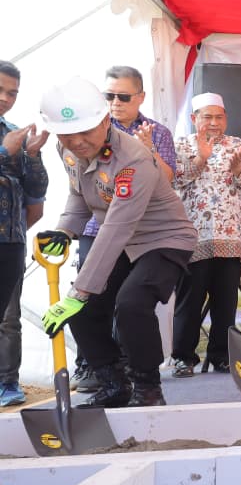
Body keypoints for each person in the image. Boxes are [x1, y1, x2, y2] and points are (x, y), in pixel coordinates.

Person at [36, 77, 197, 408]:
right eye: (67, 134)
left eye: (86, 131)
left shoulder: (132, 159)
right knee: (83, 311)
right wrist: (65, 230)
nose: (77, 142)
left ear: (105, 121)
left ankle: (148, 387)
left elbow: (117, 227)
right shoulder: (66, 149)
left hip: (164, 238)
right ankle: (113, 383)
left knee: (131, 303)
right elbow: (79, 195)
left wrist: (80, 291)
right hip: (125, 240)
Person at [73, 65, 177, 392]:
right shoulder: (84, 131)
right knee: (86, 301)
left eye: (123, 96)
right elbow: (76, 188)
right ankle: (96, 371)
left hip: (145, 234)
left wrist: (150, 152)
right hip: (96, 229)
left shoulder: (157, 132)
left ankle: (142, 381)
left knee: (130, 303)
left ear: (140, 97)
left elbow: (168, 178)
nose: (115, 102)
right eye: (109, 96)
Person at [170, 92, 241, 377]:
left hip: (230, 236)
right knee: (190, 299)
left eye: (219, 117)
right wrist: (200, 158)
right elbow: (175, 180)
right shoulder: (181, 145)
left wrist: (237, 172)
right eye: (207, 117)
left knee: (225, 301)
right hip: (192, 236)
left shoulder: (240, 146)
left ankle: (222, 356)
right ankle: (183, 358)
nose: (213, 123)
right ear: (194, 118)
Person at [0, 60, 49, 407]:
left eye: (12, 93)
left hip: (11, 240)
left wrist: (32, 155)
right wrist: (5, 152)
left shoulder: (14, 131)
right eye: (0, 90)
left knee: (7, 317)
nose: (5, 98)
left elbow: (36, 190)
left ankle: (6, 384)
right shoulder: (8, 141)